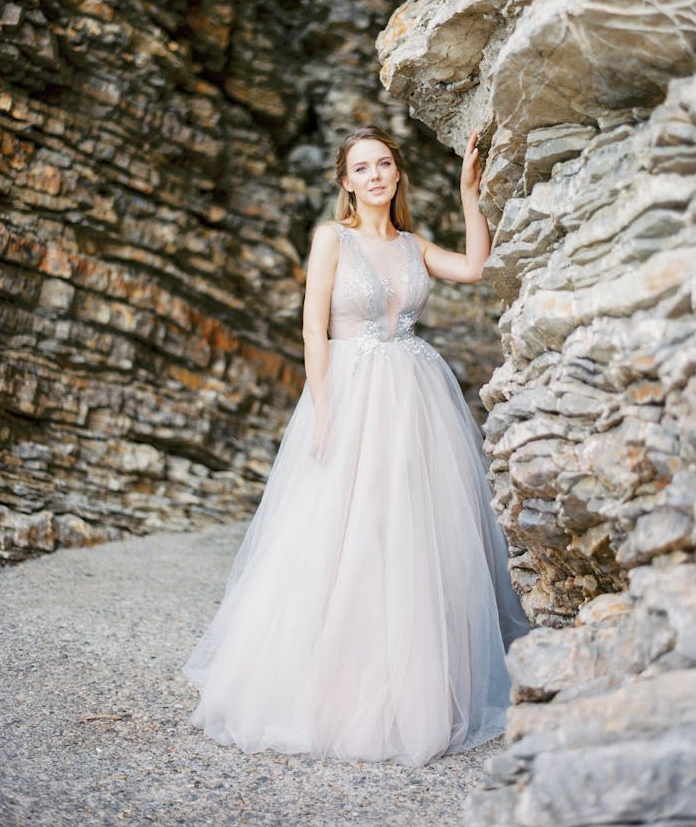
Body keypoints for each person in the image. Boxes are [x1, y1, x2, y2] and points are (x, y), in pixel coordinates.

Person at [182, 124, 531, 767]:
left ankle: (414, 690)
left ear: (397, 175)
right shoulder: (330, 240)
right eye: (361, 167)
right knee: (340, 534)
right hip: (351, 396)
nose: (375, 174)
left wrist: (469, 193)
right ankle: (328, 688)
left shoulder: (413, 244)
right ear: (345, 181)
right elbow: (314, 331)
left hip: (416, 398)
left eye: (385, 164)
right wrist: (322, 411)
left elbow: (478, 269)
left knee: (410, 535)